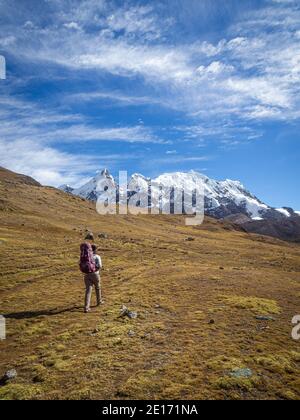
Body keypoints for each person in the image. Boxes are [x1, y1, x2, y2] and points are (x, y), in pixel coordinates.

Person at [80, 233, 103, 313]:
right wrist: (95, 270)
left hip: (86, 275)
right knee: (97, 287)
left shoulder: (85, 256)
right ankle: (99, 302)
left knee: (88, 291)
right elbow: (100, 266)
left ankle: (86, 307)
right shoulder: (97, 256)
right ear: (95, 250)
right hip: (95, 274)